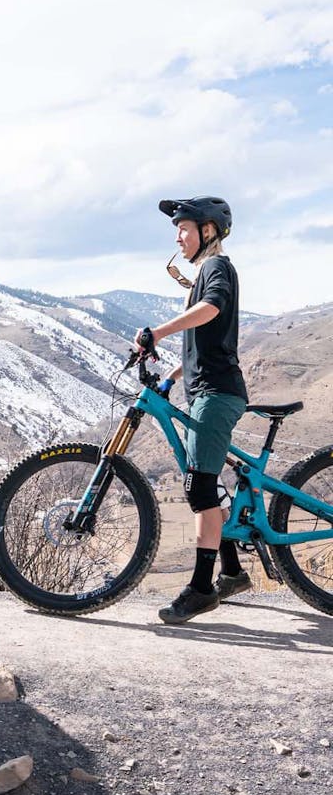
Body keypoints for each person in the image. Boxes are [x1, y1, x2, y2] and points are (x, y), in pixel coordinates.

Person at [134, 196, 250, 625]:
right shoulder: (203, 274)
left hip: (217, 394)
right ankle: (234, 572)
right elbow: (205, 341)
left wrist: (158, 332)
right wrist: (172, 378)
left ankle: (202, 588)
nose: (178, 237)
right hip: (205, 390)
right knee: (207, 483)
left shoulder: (217, 269)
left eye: (184, 228)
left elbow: (212, 310)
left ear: (208, 231)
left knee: (200, 486)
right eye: (177, 230)